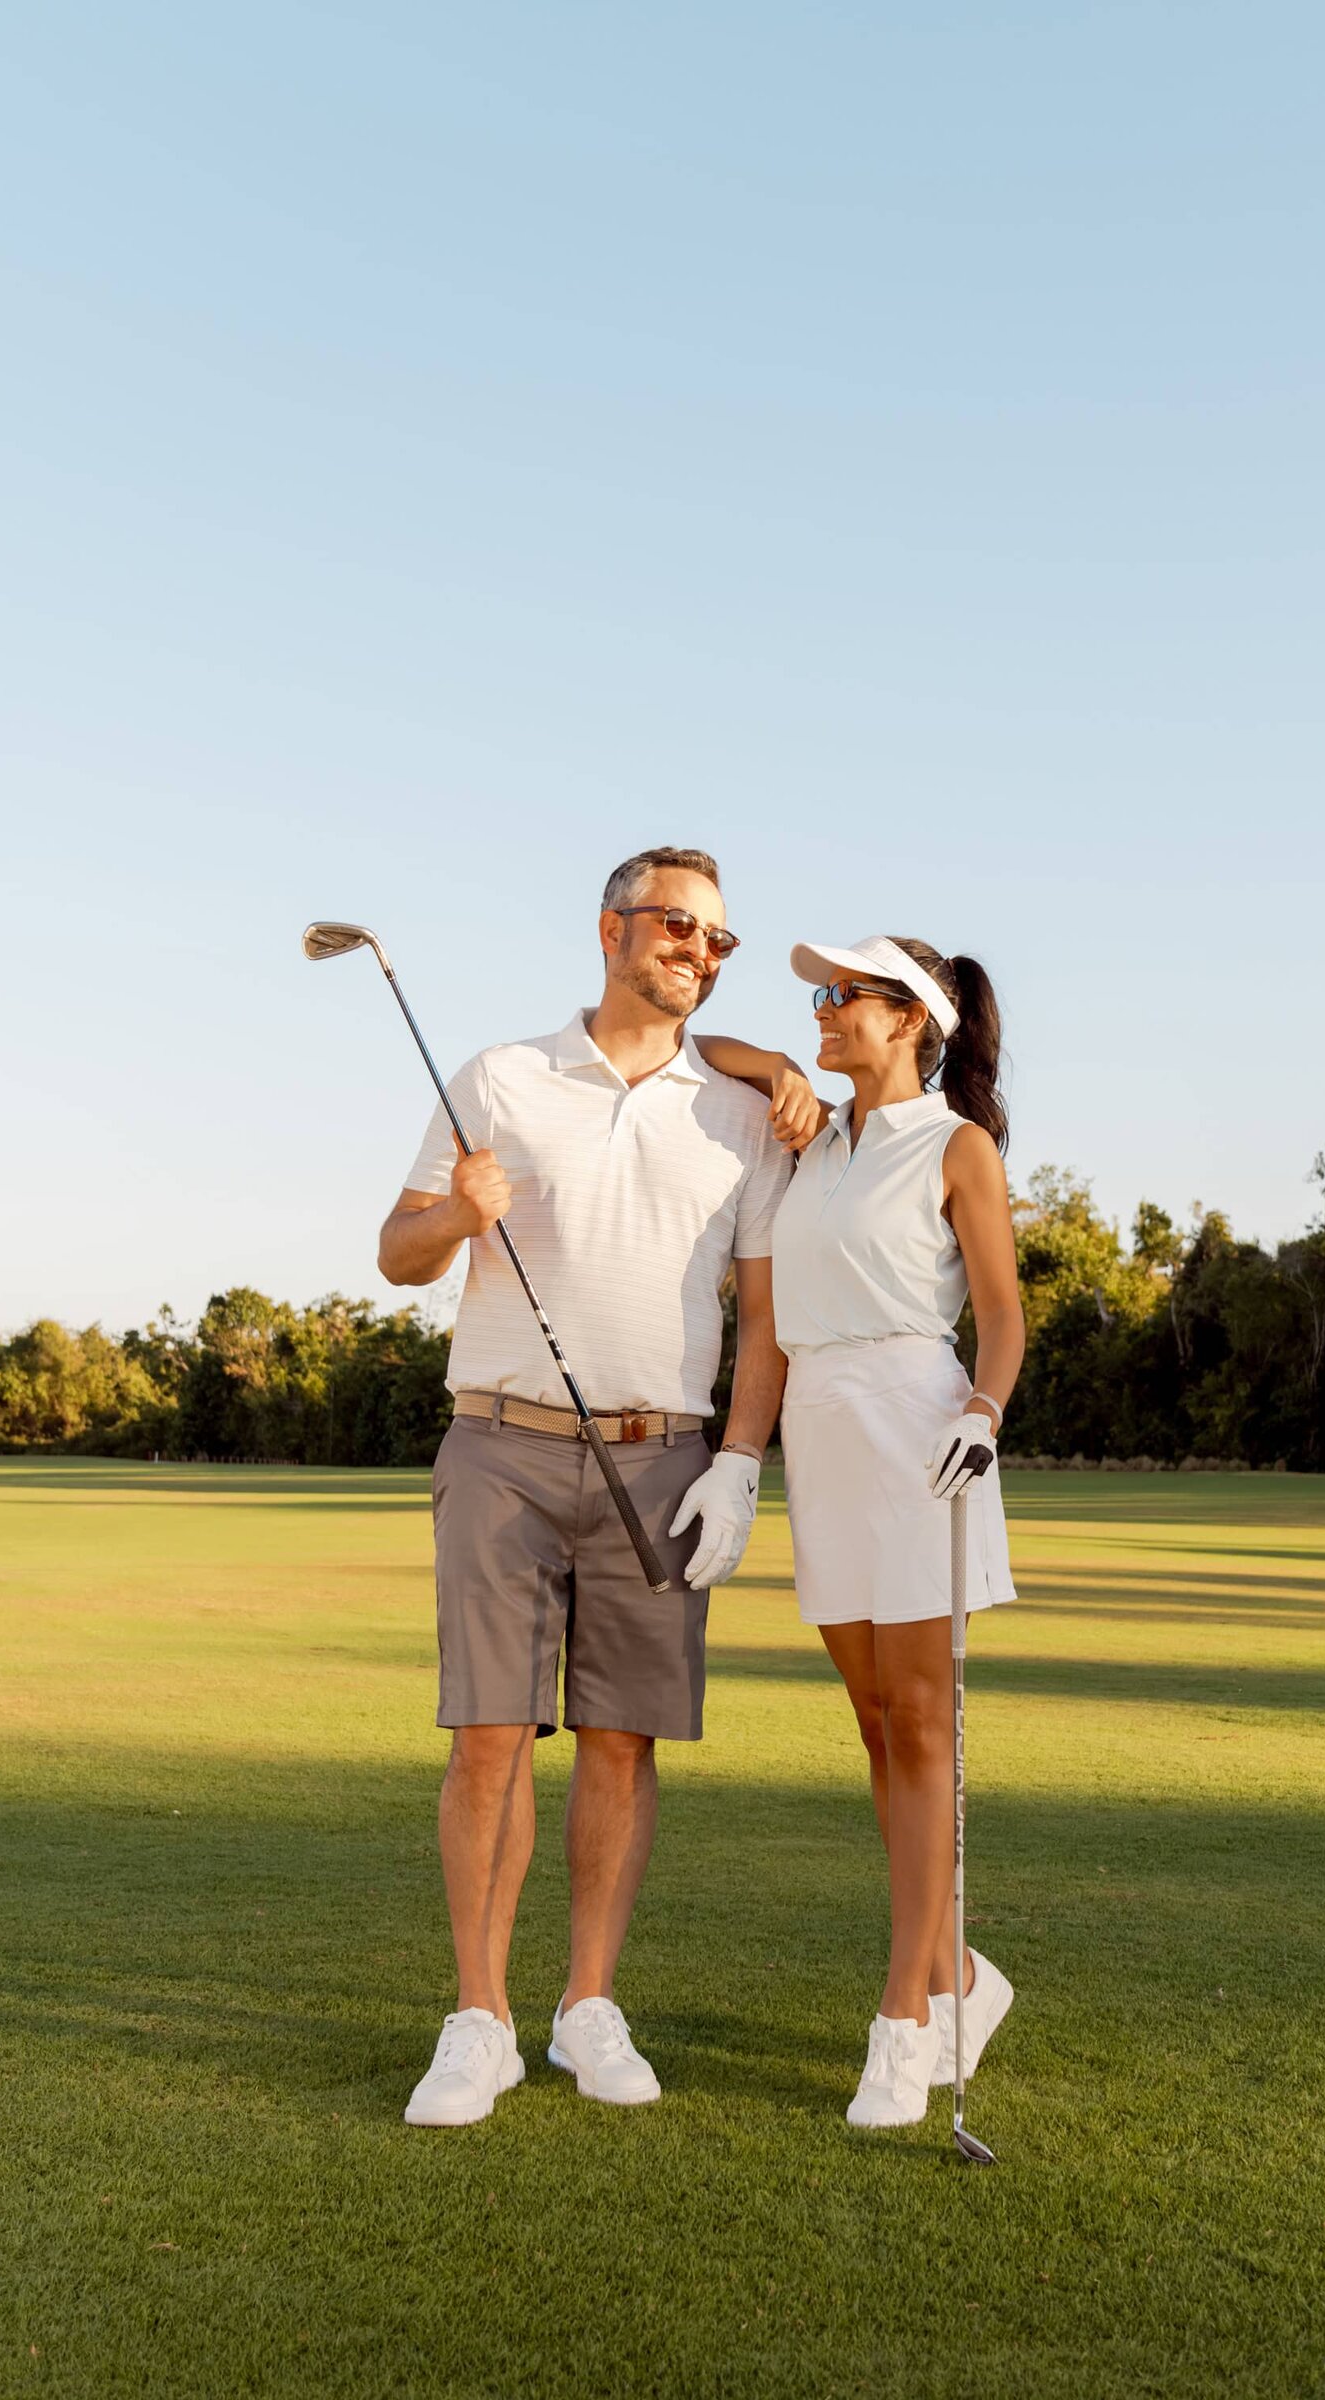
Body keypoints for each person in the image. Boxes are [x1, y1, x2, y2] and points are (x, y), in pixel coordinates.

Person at [378, 847, 791, 2127]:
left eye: (718, 939)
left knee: (623, 1739)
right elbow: (397, 1252)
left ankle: (587, 2007)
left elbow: (766, 1318)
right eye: (678, 926)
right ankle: (480, 2021)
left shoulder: (745, 1112)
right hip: (500, 1445)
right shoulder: (501, 1076)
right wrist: (457, 1215)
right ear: (611, 931)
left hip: (663, 1457)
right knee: (489, 1736)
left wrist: (739, 1462)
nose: (700, 952)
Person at [701, 935, 1024, 2128]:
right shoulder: (812, 1138)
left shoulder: (956, 1146)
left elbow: (1002, 1314)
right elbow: (701, 1047)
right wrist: (785, 1069)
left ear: (911, 1019)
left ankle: (904, 2019)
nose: (824, 1010)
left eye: (845, 997)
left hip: (922, 1427)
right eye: (821, 996)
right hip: (824, 1433)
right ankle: (959, 1979)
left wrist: (985, 1411)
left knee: (923, 1722)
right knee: (878, 1726)